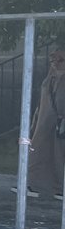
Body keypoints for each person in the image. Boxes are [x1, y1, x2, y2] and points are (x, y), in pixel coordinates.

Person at [24, 47, 65, 199]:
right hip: (45, 122)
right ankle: (33, 183)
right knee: (37, 151)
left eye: (60, 60)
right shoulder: (50, 79)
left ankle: (59, 187)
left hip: (60, 123)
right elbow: (42, 103)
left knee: (59, 155)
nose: (55, 63)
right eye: (52, 60)